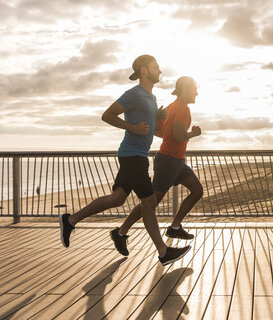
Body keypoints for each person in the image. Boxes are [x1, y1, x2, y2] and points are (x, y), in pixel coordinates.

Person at [59, 55, 191, 266]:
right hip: (132, 155)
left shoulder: (152, 98)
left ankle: (70, 220)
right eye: (156, 67)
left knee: (118, 198)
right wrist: (133, 128)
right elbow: (107, 115)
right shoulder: (134, 94)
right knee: (148, 202)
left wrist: (157, 118)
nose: (160, 71)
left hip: (136, 154)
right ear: (144, 71)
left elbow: (151, 129)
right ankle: (163, 251)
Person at [111, 76, 203, 256]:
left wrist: (171, 136)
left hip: (174, 161)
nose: (196, 92)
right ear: (184, 90)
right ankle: (121, 232)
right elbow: (178, 135)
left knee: (197, 190)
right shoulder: (183, 109)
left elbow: (156, 129)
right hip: (169, 162)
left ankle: (175, 226)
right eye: (194, 88)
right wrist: (193, 134)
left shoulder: (170, 107)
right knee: (150, 203)